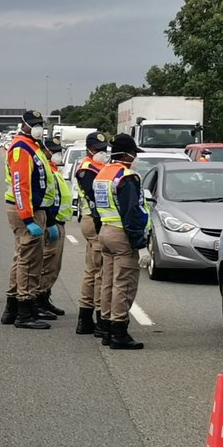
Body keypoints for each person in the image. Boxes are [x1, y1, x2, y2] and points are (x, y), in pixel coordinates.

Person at [1, 110, 58, 329]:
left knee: (26, 258)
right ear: (23, 125)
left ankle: (14, 308)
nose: (38, 127)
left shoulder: (33, 147)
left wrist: (49, 219)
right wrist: (27, 218)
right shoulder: (21, 149)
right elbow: (20, 184)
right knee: (28, 260)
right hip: (27, 211)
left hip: (36, 210)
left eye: (40, 124)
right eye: (34, 124)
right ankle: (24, 311)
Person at [93, 133, 150, 350]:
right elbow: (131, 212)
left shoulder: (102, 175)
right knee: (124, 284)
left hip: (106, 231)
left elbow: (97, 208)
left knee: (107, 282)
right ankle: (119, 331)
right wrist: (140, 244)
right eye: (134, 153)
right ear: (128, 154)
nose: (135, 157)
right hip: (122, 235)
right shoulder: (127, 177)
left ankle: (106, 327)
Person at [74, 132, 109, 336]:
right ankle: (98, 318)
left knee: (92, 270)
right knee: (98, 272)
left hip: (94, 220)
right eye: (97, 149)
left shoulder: (99, 167)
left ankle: (85, 320)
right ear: (89, 149)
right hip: (93, 220)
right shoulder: (87, 169)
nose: (101, 153)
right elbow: (94, 197)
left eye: (104, 149)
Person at [39, 137, 73, 316]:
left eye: (58, 150)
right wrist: (50, 222)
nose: (56, 154)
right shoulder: (45, 172)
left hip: (58, 221)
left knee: (53, 265)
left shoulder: (53, 171)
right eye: (52, 151)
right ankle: (39, 300)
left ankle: (45, 297)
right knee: (46, 264)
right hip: (51, 222)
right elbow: (46, 200)